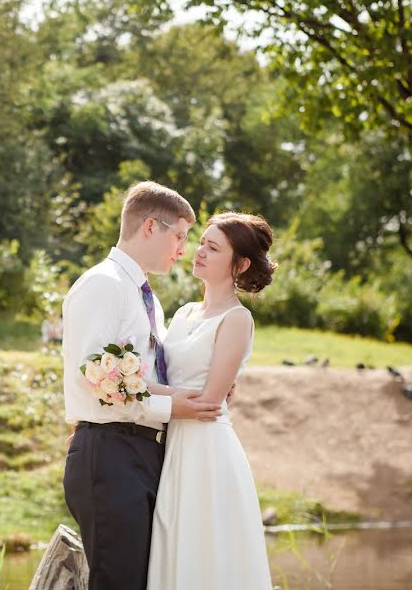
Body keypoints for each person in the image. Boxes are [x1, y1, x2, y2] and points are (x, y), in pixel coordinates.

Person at [61, 181, 224, 590]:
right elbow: (98, 380)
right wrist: (175, 408)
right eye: (181, 236)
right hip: (110, 452)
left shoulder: (144, 296)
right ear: (151, 226)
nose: (184, 249)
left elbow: (146, 377)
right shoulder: (103, 284)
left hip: (142, 454)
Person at [147, 212, 275, 588]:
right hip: (173, 443)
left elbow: (208, 402)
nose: (198, 251)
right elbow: (162, 371)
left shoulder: (237, 319)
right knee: (175, 547)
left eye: (213, 247)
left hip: (207, 451)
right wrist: (138, 383)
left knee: (205, 553)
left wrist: (128, 386)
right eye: (201, 242)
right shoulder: (184, 313)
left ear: (240, 264)